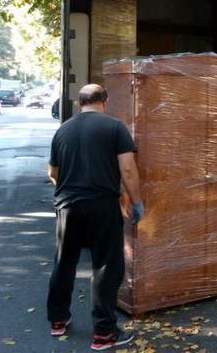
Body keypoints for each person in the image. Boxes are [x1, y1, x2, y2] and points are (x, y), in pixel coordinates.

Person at [46, 84, 144, 351]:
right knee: (106, 267)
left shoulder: (63, 130)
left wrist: (69, 191)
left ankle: (58, 321)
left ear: (79, 103)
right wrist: (137, 203)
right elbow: (127, 168)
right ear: (105, 101)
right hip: (102, 206)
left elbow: (52, 173)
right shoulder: (115, 127)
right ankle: (103, 333)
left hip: (68, 206)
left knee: (64, 263)